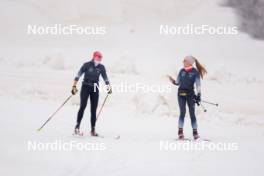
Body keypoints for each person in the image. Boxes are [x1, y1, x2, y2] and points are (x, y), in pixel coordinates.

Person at [71, 51, 112, 136]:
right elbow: (78, 75)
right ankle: (77, 127)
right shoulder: (87, 65)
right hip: (85, 86)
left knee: (94, 109)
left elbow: (105, 78)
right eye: (97, 58)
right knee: (83, 106)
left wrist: (108, 87)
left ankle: (93, 130)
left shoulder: (101, 67)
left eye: (100, 58)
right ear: (93, 57)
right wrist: (74, 87)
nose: (99, 60)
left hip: (94, 88)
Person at [168, 56, 207, 140]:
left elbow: (198, 85)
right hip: (181, 95)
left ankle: (195, 132)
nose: (183, 61)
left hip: (190, 95)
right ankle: (180, 132)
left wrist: (199, 95)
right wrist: (172, 80)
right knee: (182, 112)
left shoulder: (195, 72)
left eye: (185, 60)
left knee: (192, 114)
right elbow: (177, 82)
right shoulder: (181, 71)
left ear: (189, 62)